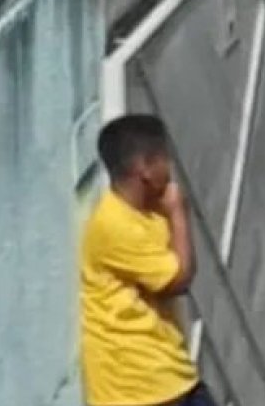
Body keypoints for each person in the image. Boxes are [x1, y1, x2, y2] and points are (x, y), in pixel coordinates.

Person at [80, 114, 215, 406]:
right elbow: (178, 279)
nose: (170, 168)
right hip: (137, 388)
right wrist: (178, 212)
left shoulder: (149, 212)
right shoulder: (114, 224)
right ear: (145, 167)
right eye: (164, 158)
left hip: (169, 374)